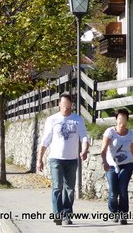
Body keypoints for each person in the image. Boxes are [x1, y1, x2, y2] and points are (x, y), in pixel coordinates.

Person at [37, 93, 89, 226]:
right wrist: (39, 159)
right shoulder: (52, 119)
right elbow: (45, 141)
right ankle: (57, 214)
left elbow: (83, 137)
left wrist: (84, 150)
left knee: (70, 189)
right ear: (59, 104)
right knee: (57, 186)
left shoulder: (78, 120)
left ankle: (67, 215)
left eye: (68, 104)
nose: (66, 107)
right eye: (63, 104)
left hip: (72, 159)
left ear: (72, 105)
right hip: (56, 159)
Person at [100, 108, 133, 225]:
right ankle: (114, 211)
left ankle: (123, 215)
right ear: (116, 119)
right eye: (120, 117)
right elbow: (103, 149)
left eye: (124, 117)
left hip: (127, 164)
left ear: (127, 120)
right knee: (113, 192)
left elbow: (131, 149)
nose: (122, 119)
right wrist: (104, 162)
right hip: (111, 165)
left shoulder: (131, 134)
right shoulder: (110, 132)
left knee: (123, 189)